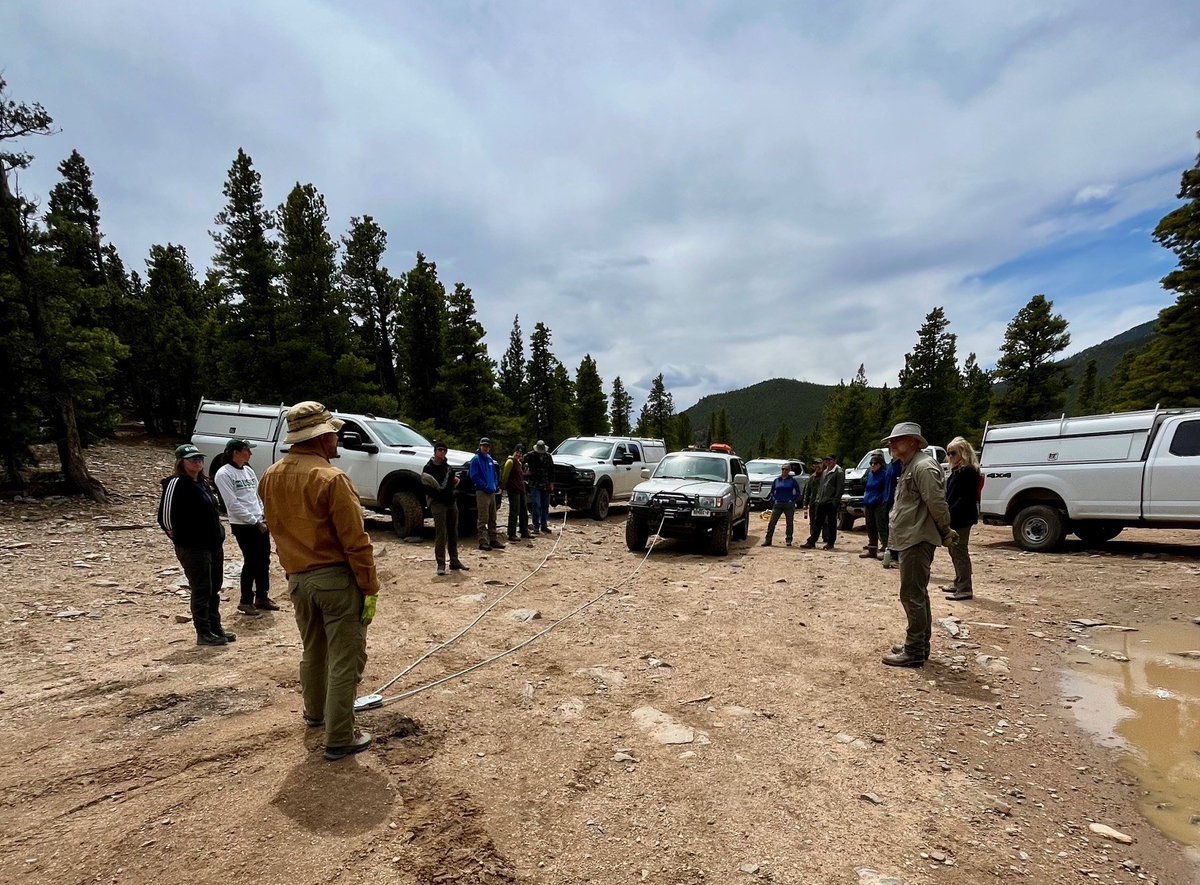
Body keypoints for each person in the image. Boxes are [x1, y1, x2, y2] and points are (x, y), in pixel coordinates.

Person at [258, 401, 379, 761]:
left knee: (314, 650)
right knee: (345, 657)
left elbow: (277, 531)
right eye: (334, 433)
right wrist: (369, 586)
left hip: (298, 579)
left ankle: (315, 714)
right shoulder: (331, 478)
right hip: (335, 581)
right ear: (322, 437)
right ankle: (340, 735)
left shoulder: (270, 475)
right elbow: (355, 541)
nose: (337, 438)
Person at [880, 422, 957, 668]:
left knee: (912, 595)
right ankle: (919, 645)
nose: (891, 445)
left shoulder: (922, 466)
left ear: (913, 441)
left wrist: (945, 530)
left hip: (918, 538)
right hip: (911, 537)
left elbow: (937, 503)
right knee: (917, 593)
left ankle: (914, 650)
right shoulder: (911, 465)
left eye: (896, 440)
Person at [158, 444, 234, 647]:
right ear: (181, 462)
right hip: (193, 547)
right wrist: (180, 540)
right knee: (201, 588)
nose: (198, 462)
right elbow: (164, 518)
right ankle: (203, 632)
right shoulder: (176, 483)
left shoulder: (203, 483)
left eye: (199, 459)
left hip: (213, 545)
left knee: (214, 587)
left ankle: (215, 627)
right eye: (192, 459)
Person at [214, 438, 279, 615]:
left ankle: (262, 596)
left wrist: (263, 513)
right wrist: (254, 521)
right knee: (251, 561)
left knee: (264, 559)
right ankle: (245, 600)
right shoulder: (224, 474)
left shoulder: (248, 471)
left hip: (259, 520)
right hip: (243, 524)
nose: (250, 453)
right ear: (235, 453)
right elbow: (232, 504)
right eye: (246, 450)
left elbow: (256, 495)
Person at [942, 436, 981, 601]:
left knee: (960, 552)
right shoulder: (958, 471)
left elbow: (963, 499)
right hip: (956, 517)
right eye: (948, 453)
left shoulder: (968, 472)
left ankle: (965, 588)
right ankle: (959, 582)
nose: (950, 457)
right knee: (954, 551)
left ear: (963, 453)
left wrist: (949, 515)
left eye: (953, 453)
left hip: (961, 518)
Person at [423, 441, 469, 576]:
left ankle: (454, 560)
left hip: (450, 502)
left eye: (444, 450)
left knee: (453, 531)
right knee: (441, 533)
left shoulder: (448, 468)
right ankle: (441, 564)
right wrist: (443, 496)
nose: (442, 452)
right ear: (435, 451)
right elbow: (428, 489)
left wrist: (454, 493)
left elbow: (453, 483)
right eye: (440, 450)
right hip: (437, 503)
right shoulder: (428, 469)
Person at [469, 437, 505, 551]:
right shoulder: (475, 459)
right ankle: (482, 541)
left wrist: (494, 485)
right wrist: (484, 485)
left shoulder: (489, 459)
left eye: (487, 446)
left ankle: (493, 539)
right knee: (483, 518)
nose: (485, 448)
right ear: (480, 446)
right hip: (482, 492)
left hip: (491, 492)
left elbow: (494, 474)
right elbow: (473, 475)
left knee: (492, 517)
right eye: (483, 446)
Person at [802, 454, 844, 549]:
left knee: (831, 523)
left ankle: (830, 543)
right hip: (821, 501)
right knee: (817, 522)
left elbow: (840, 488)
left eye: (830, 460)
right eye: (827, 460)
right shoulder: (825, 472)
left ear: (835, 461)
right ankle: (812, 541)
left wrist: (835, 502)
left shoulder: (839, 472)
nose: (828, 462)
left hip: (830, 502)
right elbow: (821, 487)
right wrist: (818, 499)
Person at [761, 462, 802, 546]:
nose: (784, 471)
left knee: (789, 523)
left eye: (786, 469)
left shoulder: (792, 481)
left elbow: (798, 492)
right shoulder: (776, 480)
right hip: (778, 504)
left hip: (788, 504)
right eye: (783, 469)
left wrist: (792, 500)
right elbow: (772, 492)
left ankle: (788, 539)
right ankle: (768, 540)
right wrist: (774, 499)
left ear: (789, 470)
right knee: (772, 522)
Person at [859, 453, 887, 560]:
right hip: (868, 502)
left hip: (879, 503)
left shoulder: (884, 474)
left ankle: (885, 548)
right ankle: (872, 550)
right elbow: (863, 482)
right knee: (870, 527)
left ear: (880, 464)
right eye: (871, 463)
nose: (873, 465)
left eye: (875, 463)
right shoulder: (869, 473)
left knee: (881, 527)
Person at [501, 444, 532, 542]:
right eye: (517, 452)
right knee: (514, 511)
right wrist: (504, 486)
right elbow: (505, 476)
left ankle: (524, 531)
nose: (518, 454)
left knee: (524, 511)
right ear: (514, 452)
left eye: (520, 453)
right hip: (513, 490)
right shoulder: (510, 462)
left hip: (521, 489)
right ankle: (511, 533)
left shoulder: (519, 463)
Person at [524, 440, 555, 534]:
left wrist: (551, 483)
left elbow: (551, 470)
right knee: (536, 505)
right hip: (535, 484)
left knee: (545, 505)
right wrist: (525, 472)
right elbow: (520, 461)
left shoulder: (548, 456)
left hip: (545, 484)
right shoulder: (530, 455)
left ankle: (544, 525)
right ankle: (536, 526)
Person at [880, 455, 904, 569]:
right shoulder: (889, 466)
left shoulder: (901, 465)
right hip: (886, 499)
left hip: (895, 501)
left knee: (895, 528)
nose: (891, 449)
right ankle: (889, 553)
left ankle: (896, 556)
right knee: (887, 528)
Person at [804, 460, 824, 527]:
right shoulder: (811, 478)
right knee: (813, 522)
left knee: (824, 522)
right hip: (813, 503)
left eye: (819, 464)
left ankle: (826, 537)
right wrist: (805, 504)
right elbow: (807, 492)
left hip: (823, 503)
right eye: (815, 464)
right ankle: (813, 536)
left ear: (822, 465)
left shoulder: (826, 476)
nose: (817, 466)